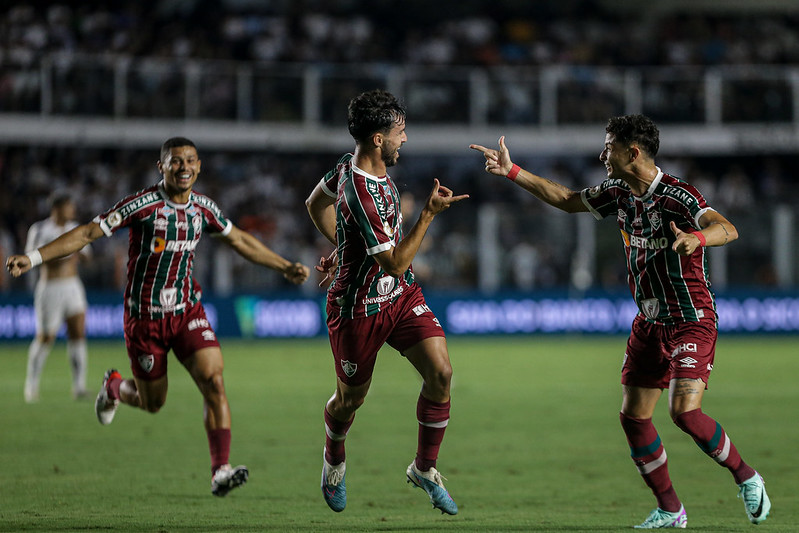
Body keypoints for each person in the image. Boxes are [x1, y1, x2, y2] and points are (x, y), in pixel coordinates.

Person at [470, 115, 770, 528]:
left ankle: (747, 477)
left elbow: (727, 228)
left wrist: (696, 238)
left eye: (607, 146)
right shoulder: (617, 192)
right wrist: (512, 171)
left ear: (632, 152)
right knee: (633, 416)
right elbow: (567, 199)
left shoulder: (679, 196)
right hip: (649, 323)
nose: (601, 154)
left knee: (683, 411)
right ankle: (670, 509)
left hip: (690, 319)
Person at [7, 137, 310, 497]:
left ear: (199, 166)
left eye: (191, 161)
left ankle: (220, 470)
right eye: (176, 161)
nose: (184, 167)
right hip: (145, 319)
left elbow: (240, 240)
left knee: (213, 380)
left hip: (186, 312)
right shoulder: (143, 205)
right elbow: (89, 232)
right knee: (153, 402)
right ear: (161, 167)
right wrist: (35, 258)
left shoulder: (204, 209)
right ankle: (114, 387)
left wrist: (284, 266)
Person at [305, 89, 468, 514]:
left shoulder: (349, 165)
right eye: (400, 132)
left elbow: (314, 203)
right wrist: (429, 214)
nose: (405, 139)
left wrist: (343, 247)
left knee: (441, 372)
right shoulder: (359, 186)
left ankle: (424, 469)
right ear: (378, 138)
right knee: (349, 401)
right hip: (357, 309)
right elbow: (395, 262)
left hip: (399, 296)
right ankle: (334, 459)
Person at [22, 192, 91, 403]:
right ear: (57, 208)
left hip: (73, 286)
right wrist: (59, 254)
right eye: (68, 206)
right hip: (50, 288)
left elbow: (88, 256)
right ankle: (31, 385)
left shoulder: (75, 228)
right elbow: (30, 258)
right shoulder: (40, 229)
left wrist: (80, 254)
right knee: (45, 337)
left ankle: (79, 387)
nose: (72, 210)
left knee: (78, 333)